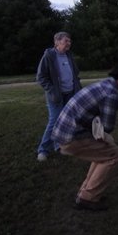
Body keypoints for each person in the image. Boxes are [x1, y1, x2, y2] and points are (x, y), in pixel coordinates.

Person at [51, 61, 118, 211]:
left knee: (105, 152)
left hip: (63, 132)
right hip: (71, 136)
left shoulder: (105, 84)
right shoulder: (112, 94)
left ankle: (87, 192)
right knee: (114, 155)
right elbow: (108, 127)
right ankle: (87, 198)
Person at [36, 31, 81, 162]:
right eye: (66, 41)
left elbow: (75, 72)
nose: (69, 43)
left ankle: (59, 146)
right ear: (57, 42)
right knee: (54, 121)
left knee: (65, 121)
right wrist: (52, 90)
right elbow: (41, 77)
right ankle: (43, 150)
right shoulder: (49, 56)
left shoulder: (69, 55)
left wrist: (76, 85)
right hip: (56, 96)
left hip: (70, 93)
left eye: (70, 41)